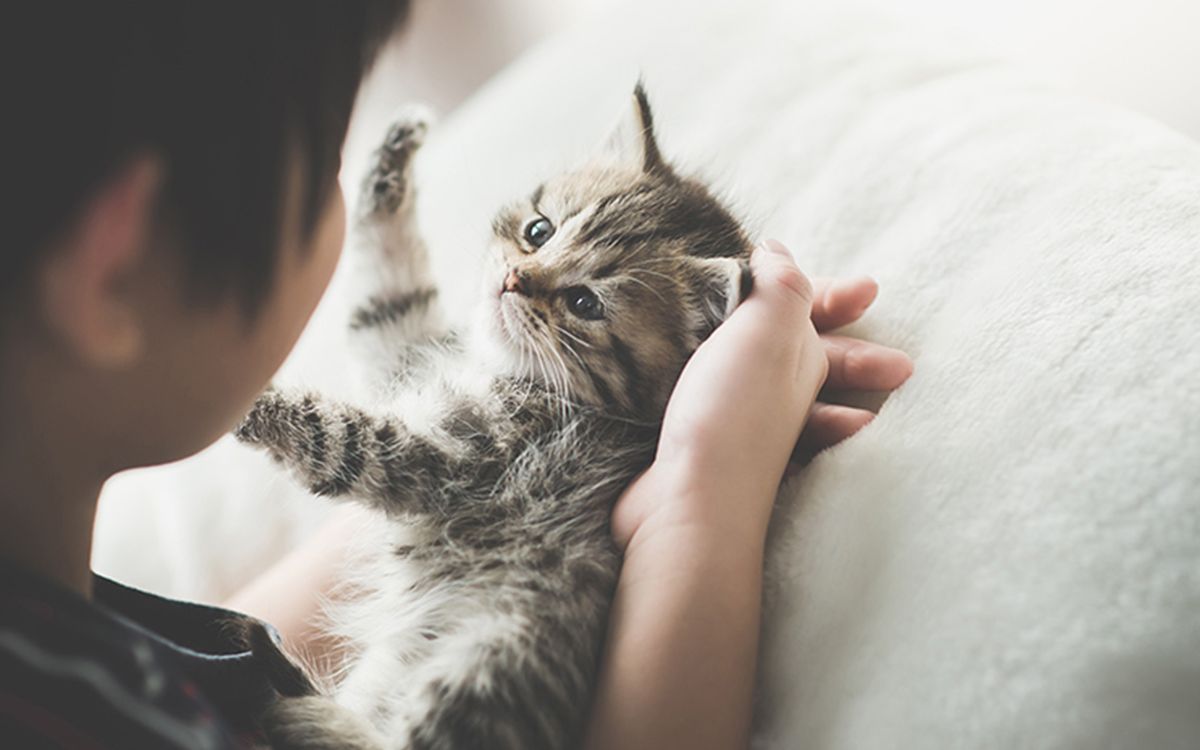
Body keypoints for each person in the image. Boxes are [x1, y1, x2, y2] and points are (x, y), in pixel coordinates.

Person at [0, 2, 913, 748]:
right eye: (325, 166)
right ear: (113, 268)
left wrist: (573, 477)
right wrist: (705, 492)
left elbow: (224, 665)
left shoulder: (69, 657)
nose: (517, 274)